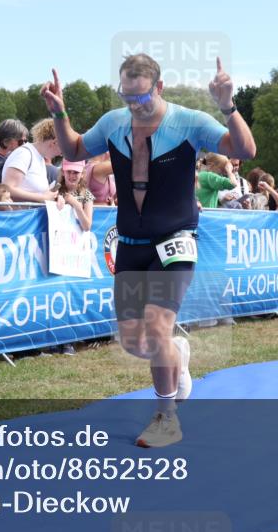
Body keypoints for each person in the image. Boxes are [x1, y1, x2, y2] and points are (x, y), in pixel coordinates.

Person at [43, 54, 255, 448]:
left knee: (156, 326)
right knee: (135, 342)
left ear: (158, 88)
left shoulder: (189, 121)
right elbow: (73, 150)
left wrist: (228, 106)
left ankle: (166, 417)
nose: (134, 105)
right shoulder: (113, 122)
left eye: (140, 97)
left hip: (175, 239)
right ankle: (176, 353)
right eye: (127, 97)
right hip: (131, 244)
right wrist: (60, 112)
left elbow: (246, 148)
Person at [2, 118, 61, 202]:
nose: (60, 154)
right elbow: (7, 189)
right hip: (21, 214)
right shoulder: (24, 154)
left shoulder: (38, 157)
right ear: (54, 142)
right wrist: (43, 198)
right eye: (62, 150)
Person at [0, 119, 29, 185]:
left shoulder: (7, 159)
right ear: (6, 142)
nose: (24, 145)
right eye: (20, 142)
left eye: (25, 141)